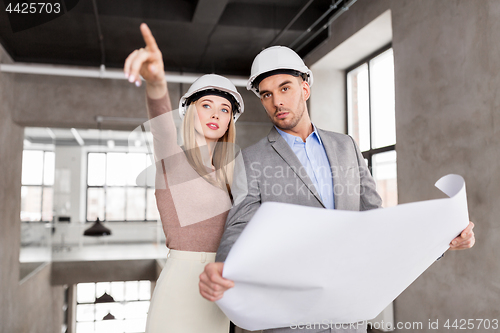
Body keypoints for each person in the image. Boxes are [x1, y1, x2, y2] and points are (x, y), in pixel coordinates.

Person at [198, 46, 476, 333]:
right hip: (291, 318)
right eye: (267, 94)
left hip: (349, 316)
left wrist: (442, 241)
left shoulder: (346, 147)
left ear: (304, 89)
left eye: (285, 88)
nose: (277, 101)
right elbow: (239, 225)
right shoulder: (251, 159)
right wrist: (224, 267)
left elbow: (376, 222)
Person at [124, 23, 244, 333]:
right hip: (179, 291)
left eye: (225, 109)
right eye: (206, 105)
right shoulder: (172, 159)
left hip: (221, 291)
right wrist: (156, 82)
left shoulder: (234, 173)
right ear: (191, 111)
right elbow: (161, 124)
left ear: (231, 119)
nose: (216, 114)